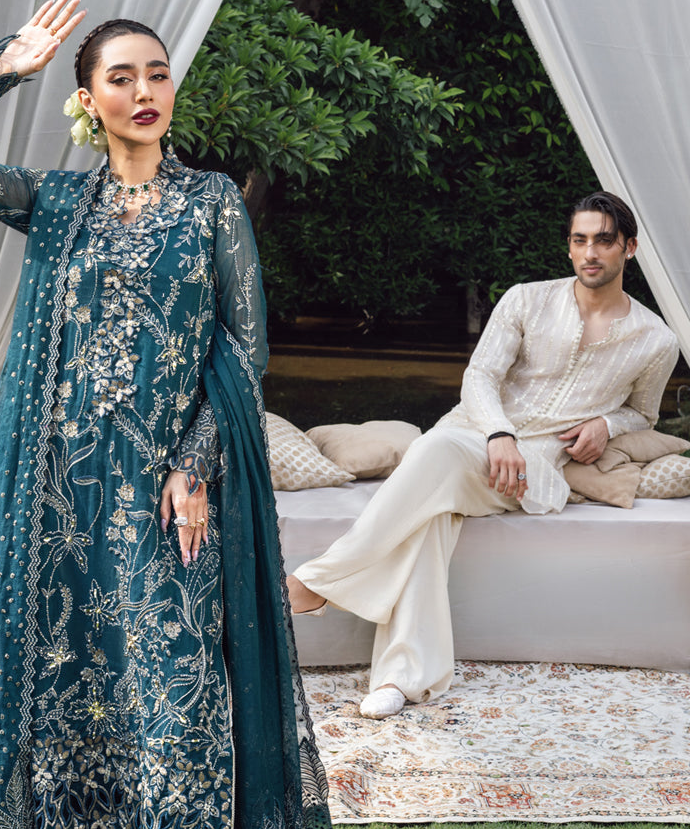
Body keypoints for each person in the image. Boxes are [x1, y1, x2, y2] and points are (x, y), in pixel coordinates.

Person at [0, 0, 357, 829]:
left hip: (167, 502)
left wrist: (194, 463)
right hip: (60, 504)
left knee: (178, 700)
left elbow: (244, 346)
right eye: (121, 77)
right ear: (87, 99)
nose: (145, 91)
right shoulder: (56, 202)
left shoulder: (212, 204)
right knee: (71, 697)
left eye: (157, 73)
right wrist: (3, 72)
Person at [288, 191, 679, 720]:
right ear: (568, 246)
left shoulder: (656, 340)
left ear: (629, 248)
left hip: (535, 466)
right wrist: (498, 432)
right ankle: (401, 680)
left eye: (604, 241)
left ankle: (314, 582)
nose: (590, 252)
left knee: (431, 458)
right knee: (431, 508)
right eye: (580, 240)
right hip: (475, 434)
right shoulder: (525, 300)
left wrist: (606, 424)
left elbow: (643, 414)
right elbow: (481, 375)